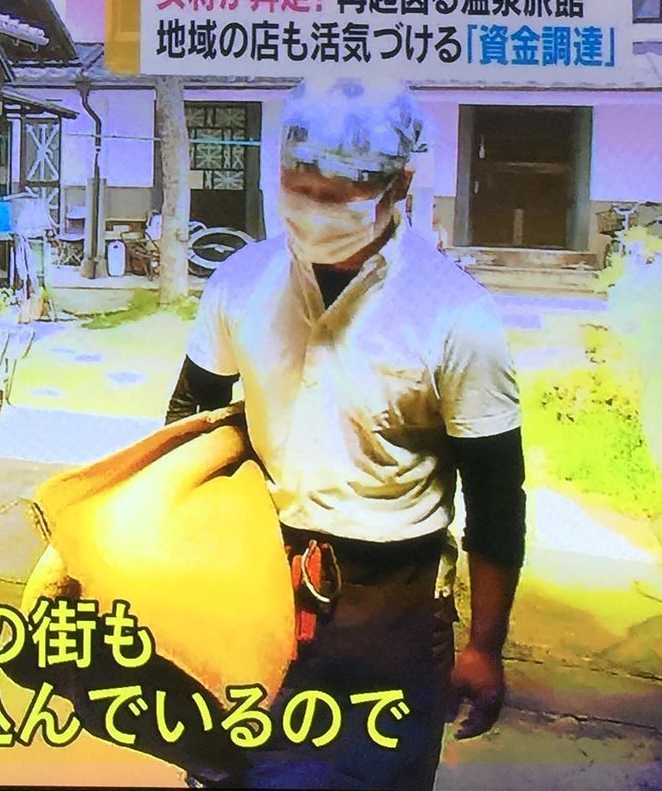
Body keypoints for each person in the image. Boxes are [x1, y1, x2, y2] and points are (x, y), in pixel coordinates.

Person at [166, 77, 526, 790]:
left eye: (337, 199)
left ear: (399, 185)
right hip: (259, 580)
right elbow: (188, 417)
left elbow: (496, 498)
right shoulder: (241, 282)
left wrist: (485, 646)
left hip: (393, 603)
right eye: (299, 192)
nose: (313, 214)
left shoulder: (457, 316)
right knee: (235, 772)